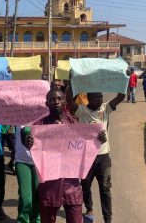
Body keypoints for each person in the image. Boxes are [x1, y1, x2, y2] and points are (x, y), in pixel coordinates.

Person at [24, 89, 107, 223]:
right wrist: (29, 143)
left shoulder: (75, 124)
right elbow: (30, 146)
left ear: (65, 102)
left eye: (59, 99)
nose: (56, 102)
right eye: (52, 99)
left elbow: (85, 148)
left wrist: (98, 140)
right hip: (49, 186)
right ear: (47, 103)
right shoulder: (38, 127)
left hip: (72, 186)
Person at [67, 88, 125, 223]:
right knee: (85, 185)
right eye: (96, 97)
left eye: (101, 96)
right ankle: (89, 209)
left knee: (105, 187)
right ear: (88, 98)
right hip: (86, 156)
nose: (100, 99)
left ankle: (107, 218)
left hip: (103, 155)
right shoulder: (81, 110)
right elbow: (70, 101)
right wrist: (70, 83)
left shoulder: (106, 108)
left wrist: (124, 78)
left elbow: (121, 96)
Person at [14, 122, 41, 223]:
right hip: (22, 160)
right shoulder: (18, 112)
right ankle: (23, 220)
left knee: (38, 196)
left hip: (40, 160)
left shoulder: (44, 110)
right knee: (26, 197)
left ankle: (36, 219)